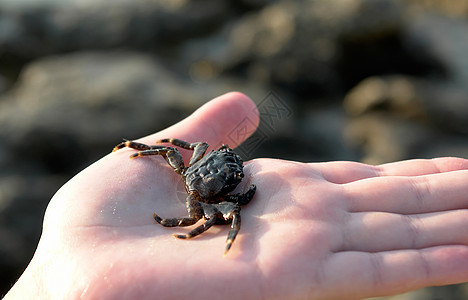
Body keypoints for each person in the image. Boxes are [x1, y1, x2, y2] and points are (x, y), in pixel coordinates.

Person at [5, 92, 468, 299]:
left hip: (200, 184)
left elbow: (217, 184)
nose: (237, 172)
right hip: (198, 187)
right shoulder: (203, 177)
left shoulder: (213, 171)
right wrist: (139, 150)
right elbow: (184, 152)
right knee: (195, 199)